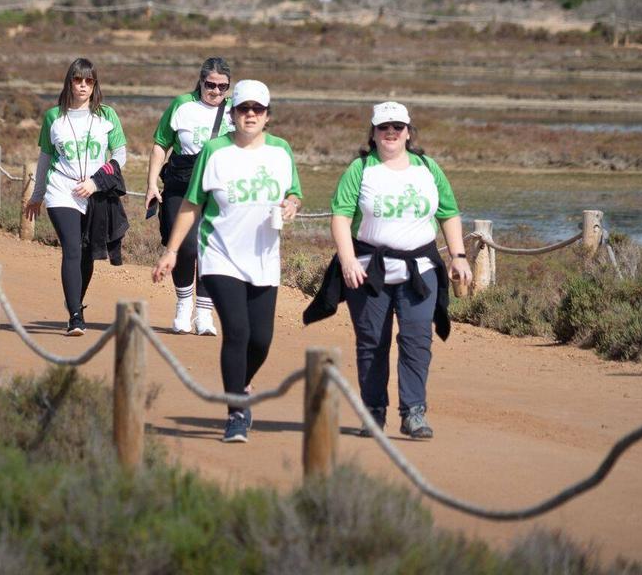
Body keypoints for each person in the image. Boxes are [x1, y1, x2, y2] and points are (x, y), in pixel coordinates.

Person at [305, 101, 472, 440]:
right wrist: (348, 260)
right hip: (369, 271)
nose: (391, 132)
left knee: (417, 340)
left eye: (398, 127)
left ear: (409, 132)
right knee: (372, 343)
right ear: (374, 133)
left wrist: (458, 255)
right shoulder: (361, 169)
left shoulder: (428, 168)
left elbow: (449, 213)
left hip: (419, 270)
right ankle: (373, 413)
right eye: (384, 127)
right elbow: (339, 216)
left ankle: (413, 412)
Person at [153, 80, 302, 443]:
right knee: (237, 331)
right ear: (232, 113)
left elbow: (294, 192)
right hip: (220, 255)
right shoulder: (216, 150)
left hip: (265, 258)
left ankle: (241, 382)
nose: (251, 114)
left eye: (258, 109)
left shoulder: (281, 151)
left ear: (267, 115)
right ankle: (236, 412)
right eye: (243, 108)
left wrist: (292, 205)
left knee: (261, 339)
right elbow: (192, 204)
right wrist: (172, 251)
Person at [24, 58, 127, 336]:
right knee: (71, 247)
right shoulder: (53, 117)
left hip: (95, 192)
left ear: (95, 85)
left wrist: (96, 183)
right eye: (77, 80)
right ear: (69, 82)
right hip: (62, 189)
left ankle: (76, 301)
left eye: (89, 81)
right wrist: (37, 195)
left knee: (86, 253)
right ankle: (75, 316)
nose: (83, 86)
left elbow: (120, 155)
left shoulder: (107, 115)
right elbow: (45, 157)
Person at [145, 57, 234, 335]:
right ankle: (184, 305)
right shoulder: (182, 105)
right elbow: (161, 144)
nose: (217, 92)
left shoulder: (235, 111)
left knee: (211, 247)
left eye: (223, 87)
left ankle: (204, 313)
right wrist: (151, 184)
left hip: (218, 188)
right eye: (211, 85)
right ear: (200, 81)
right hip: (180, 185)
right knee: (184, 246)